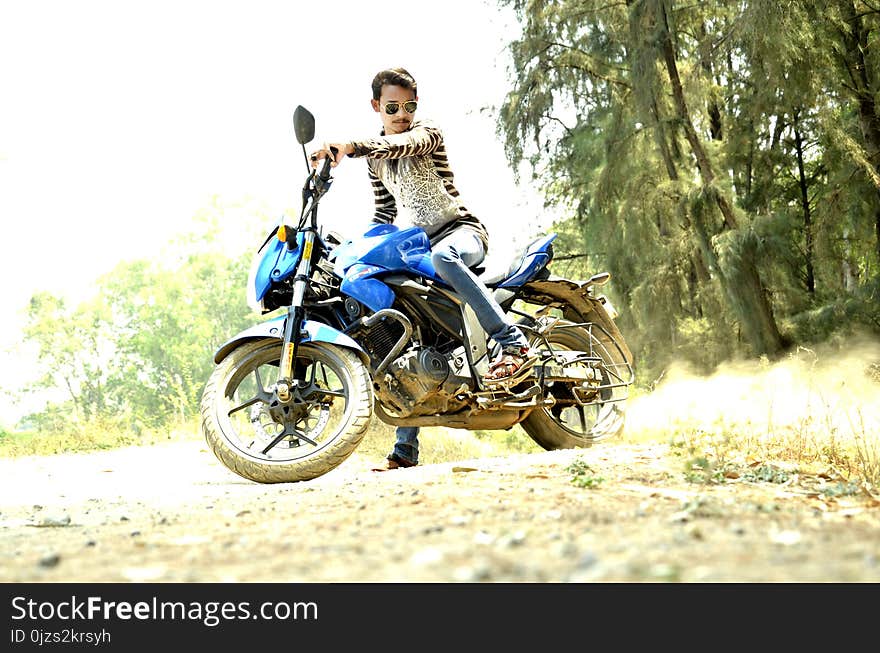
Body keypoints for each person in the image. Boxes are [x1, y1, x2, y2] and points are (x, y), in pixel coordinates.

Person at [309, 67, 531, 471]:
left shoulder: (425, 133)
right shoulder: (377, 161)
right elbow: (385, 214)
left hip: (462, 233)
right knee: (407, 331)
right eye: (392, 107)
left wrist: (352, 147)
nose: (401, 114)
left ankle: (511, 341)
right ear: (376, 106)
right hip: (420, 246)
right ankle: (405, 451)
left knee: (447, 257)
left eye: (408, 106)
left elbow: (405, 144)